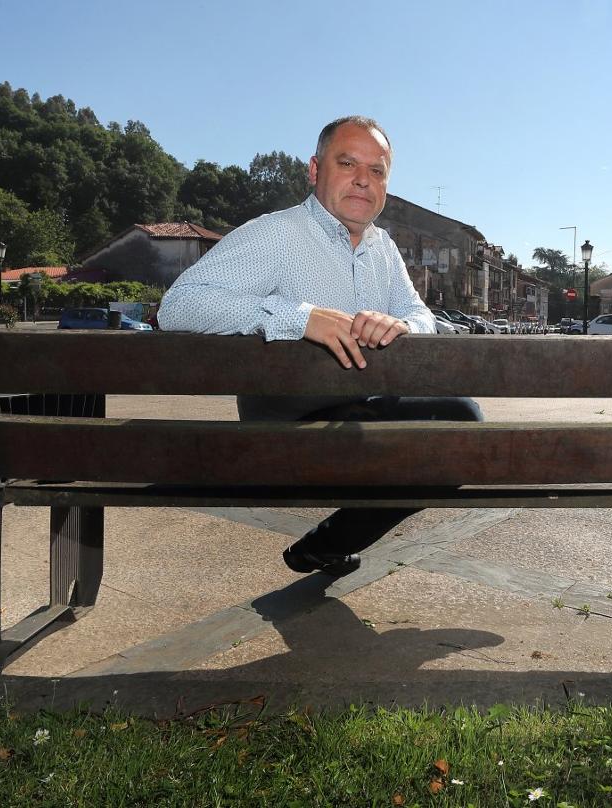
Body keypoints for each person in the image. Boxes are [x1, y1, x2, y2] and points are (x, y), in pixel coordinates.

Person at [158, 115, 482, 577]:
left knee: (458, 428)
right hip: (290, 432)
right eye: (347, 163)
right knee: (456, 429)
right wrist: (298, 317)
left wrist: (400, 325)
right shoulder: (276, 233)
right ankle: (329, 544)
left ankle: (324, 546)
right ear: (314, 170)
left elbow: (423, 318)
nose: (362, 181)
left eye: (377, 170)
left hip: (358, 413)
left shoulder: (383, 247)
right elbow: (178, 307)